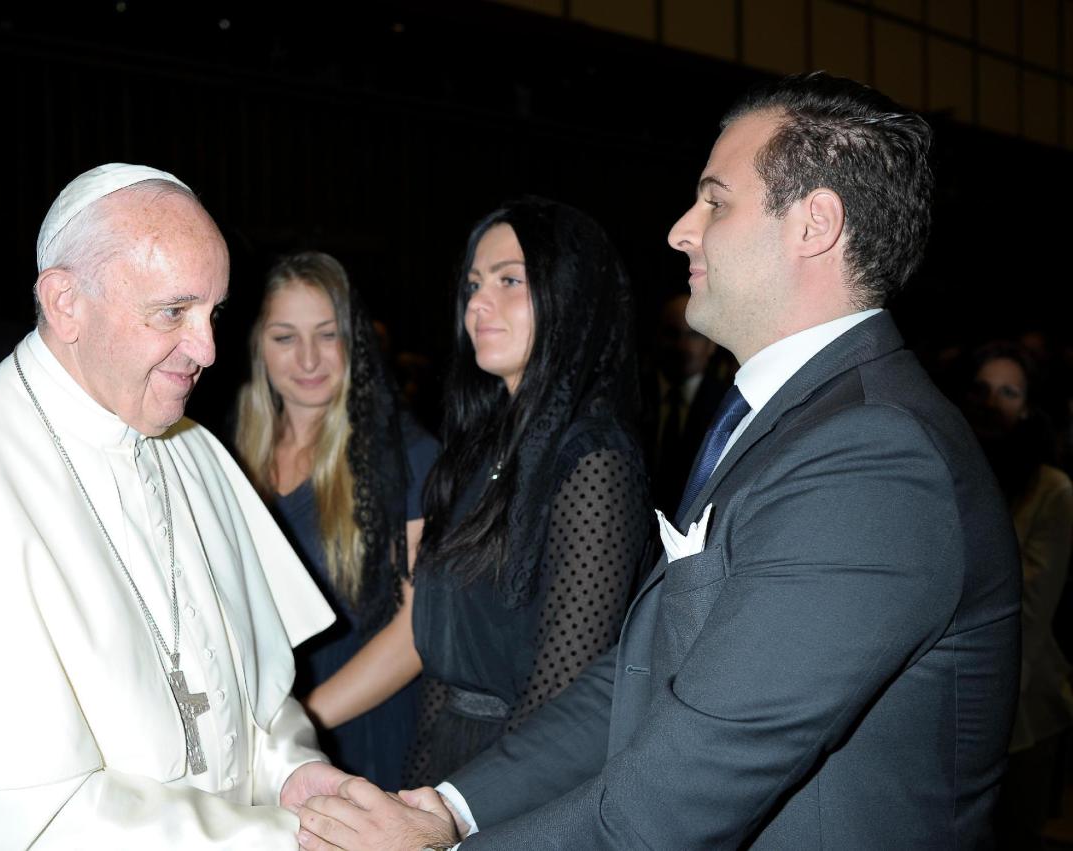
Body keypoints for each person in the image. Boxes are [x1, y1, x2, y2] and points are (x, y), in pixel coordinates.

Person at [297, 72, 1020, 850]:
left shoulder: (875, 456)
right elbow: (636, 676)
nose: (681, 228)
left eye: (715, 200)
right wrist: (449, 806)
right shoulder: (787, 421)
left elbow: (686, 790)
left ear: (814, 223)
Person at [0, 163, 349, 849]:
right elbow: (40, 821)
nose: (206, 349)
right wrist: (289, 835)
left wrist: (296, 773)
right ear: (65, 302)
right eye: (172, 311)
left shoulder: (195, 452)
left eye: (214, 314)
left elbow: (252, 699)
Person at [401, 197, 652, 787]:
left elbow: (564, 693)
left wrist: (460, 812)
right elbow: (444, 661)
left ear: (568, 293)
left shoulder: (594, 459)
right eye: (473, 285)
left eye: (510, 280)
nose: (479, 303)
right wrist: (412, 792)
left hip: (525, 783)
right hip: (455, 765)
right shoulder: (474, 453)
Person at [235, 252, 437, 790]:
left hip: (359, 736)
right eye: (284, 337)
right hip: (256, 742)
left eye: (326, 335)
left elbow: (417, 633)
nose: (307, 359)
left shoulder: (410, 456)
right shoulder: (225, 453)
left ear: (356, 340)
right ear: (257, 343)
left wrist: (303, 721)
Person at [967, 343, 1073, 849]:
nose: (993, 402)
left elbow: (1031, 606)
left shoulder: (1051, 489)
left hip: (1022, 708)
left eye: (1008, 392)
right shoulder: (953, 465)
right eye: (983, 388)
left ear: (1028, 406)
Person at [643, 291, 731, 517]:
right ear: (656, 338)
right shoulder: (632, 396)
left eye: (694, 335)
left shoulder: (729, 407)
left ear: (712, 344)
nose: (681, 346)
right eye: (672, 334)